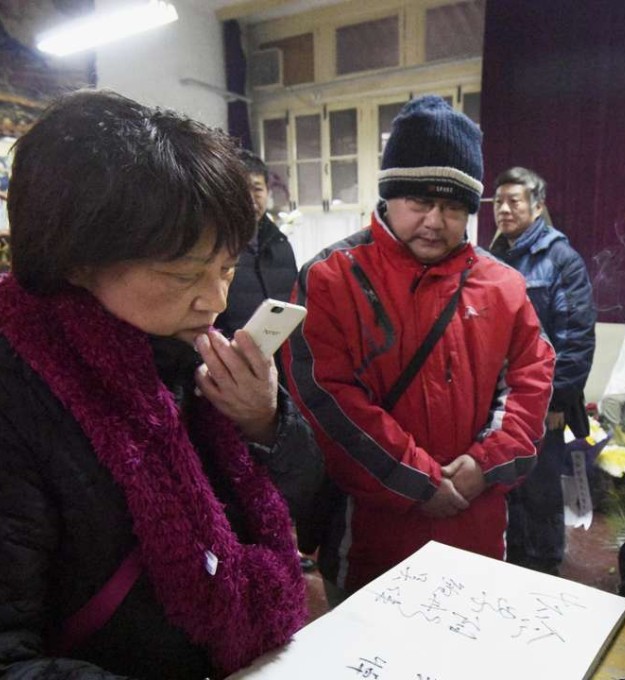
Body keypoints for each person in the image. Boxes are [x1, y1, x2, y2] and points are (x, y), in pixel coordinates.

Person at [0, 90, 324, 679]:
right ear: (74, 260)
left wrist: (264, 421)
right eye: (183, 275)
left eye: (227, 268)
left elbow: (294, 501)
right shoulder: (20, 386)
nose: (216, 300)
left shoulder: (189, 353)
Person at [286, 96, 555, 595]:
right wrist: (418, 481)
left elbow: (531, 380)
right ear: (388, 196)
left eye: (452, 207)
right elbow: (325, 397)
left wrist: (485, 463)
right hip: (370, 534)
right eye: (418, 202)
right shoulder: (331, 277)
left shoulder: (503, 285)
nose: (434, 220)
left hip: (476, 523)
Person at [490, 166, 596, 575]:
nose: (504, 209)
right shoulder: (492, 256)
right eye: (499, 201)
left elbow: (576, 336)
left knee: (540, 487)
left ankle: (545, 567)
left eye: (514, 201)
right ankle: (514, 560)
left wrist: (558, 399)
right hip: (500, 397)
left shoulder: (561, 259)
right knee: (505, 482)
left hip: (543, 399)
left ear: (537, 207)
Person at [216, 149, 299, 376]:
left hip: (283, 362)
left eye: (257, 188)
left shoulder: (281, 244)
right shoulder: (217, 246)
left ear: (267, 192)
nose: (251, 198)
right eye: (241, 189)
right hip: (233, 363)